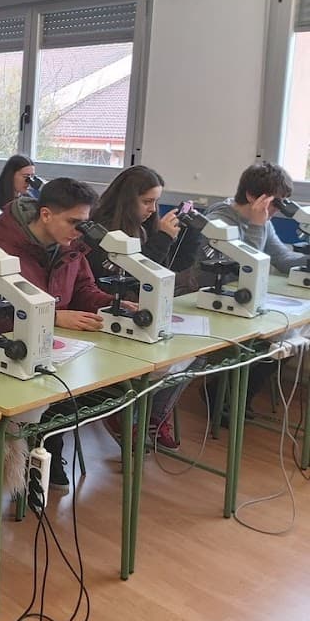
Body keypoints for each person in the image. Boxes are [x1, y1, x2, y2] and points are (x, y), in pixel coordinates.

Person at [0, 177, 123, 488]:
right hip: (15, 350)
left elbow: (84, 288)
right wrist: (54, 317)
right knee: (53, 393)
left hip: (59, 347)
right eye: (73, 222)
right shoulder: (3, 252)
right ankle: (37, 457)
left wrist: (113, 303)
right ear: (46, 214)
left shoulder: (71, 247)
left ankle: (50, 448)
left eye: (84, 223)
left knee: (101, 386)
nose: (79, 232)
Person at [87, 166, 200, 449]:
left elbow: (163, 271)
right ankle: (125, 414)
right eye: (146, 201)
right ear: (128, 199)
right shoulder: (100, 231)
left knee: (196, 354)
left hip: (137, 307)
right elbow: (131, 276)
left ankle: (153, 416)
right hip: (105, 312)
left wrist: (184, 236)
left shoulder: (142, 227)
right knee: (160, 358)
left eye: (156, 202)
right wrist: (161, 239)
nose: (152, 209)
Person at [198, 161, 306, 418]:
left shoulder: (263, 221)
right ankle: (218, 393)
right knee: (274, 338)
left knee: (290, 340)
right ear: (251, 195)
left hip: (243, 300)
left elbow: (282, 259)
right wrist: (257, 225)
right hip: (211, 299)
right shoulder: (217, 221)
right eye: (276, 202)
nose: (278, 210)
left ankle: (239, 396)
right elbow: (243, 268)